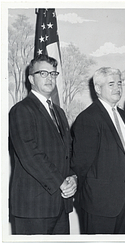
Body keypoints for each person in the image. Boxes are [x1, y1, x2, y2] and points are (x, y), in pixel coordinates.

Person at [9, 55, 77, 234]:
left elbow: (67, 151)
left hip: (60, 205)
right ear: (31, 79)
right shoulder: (21, 110)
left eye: (53, 74)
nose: (50, 78)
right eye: (43, 73)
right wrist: (60, 183)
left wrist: (72, 177)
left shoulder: (59, 112)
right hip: (33, 207)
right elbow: (30, 154)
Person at [71, 67, 125, 234]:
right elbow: (80, 164)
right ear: (97, 89)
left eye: (119, 83)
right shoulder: (88, 118)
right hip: (100, 202)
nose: (117, 88)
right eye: (111, 84)